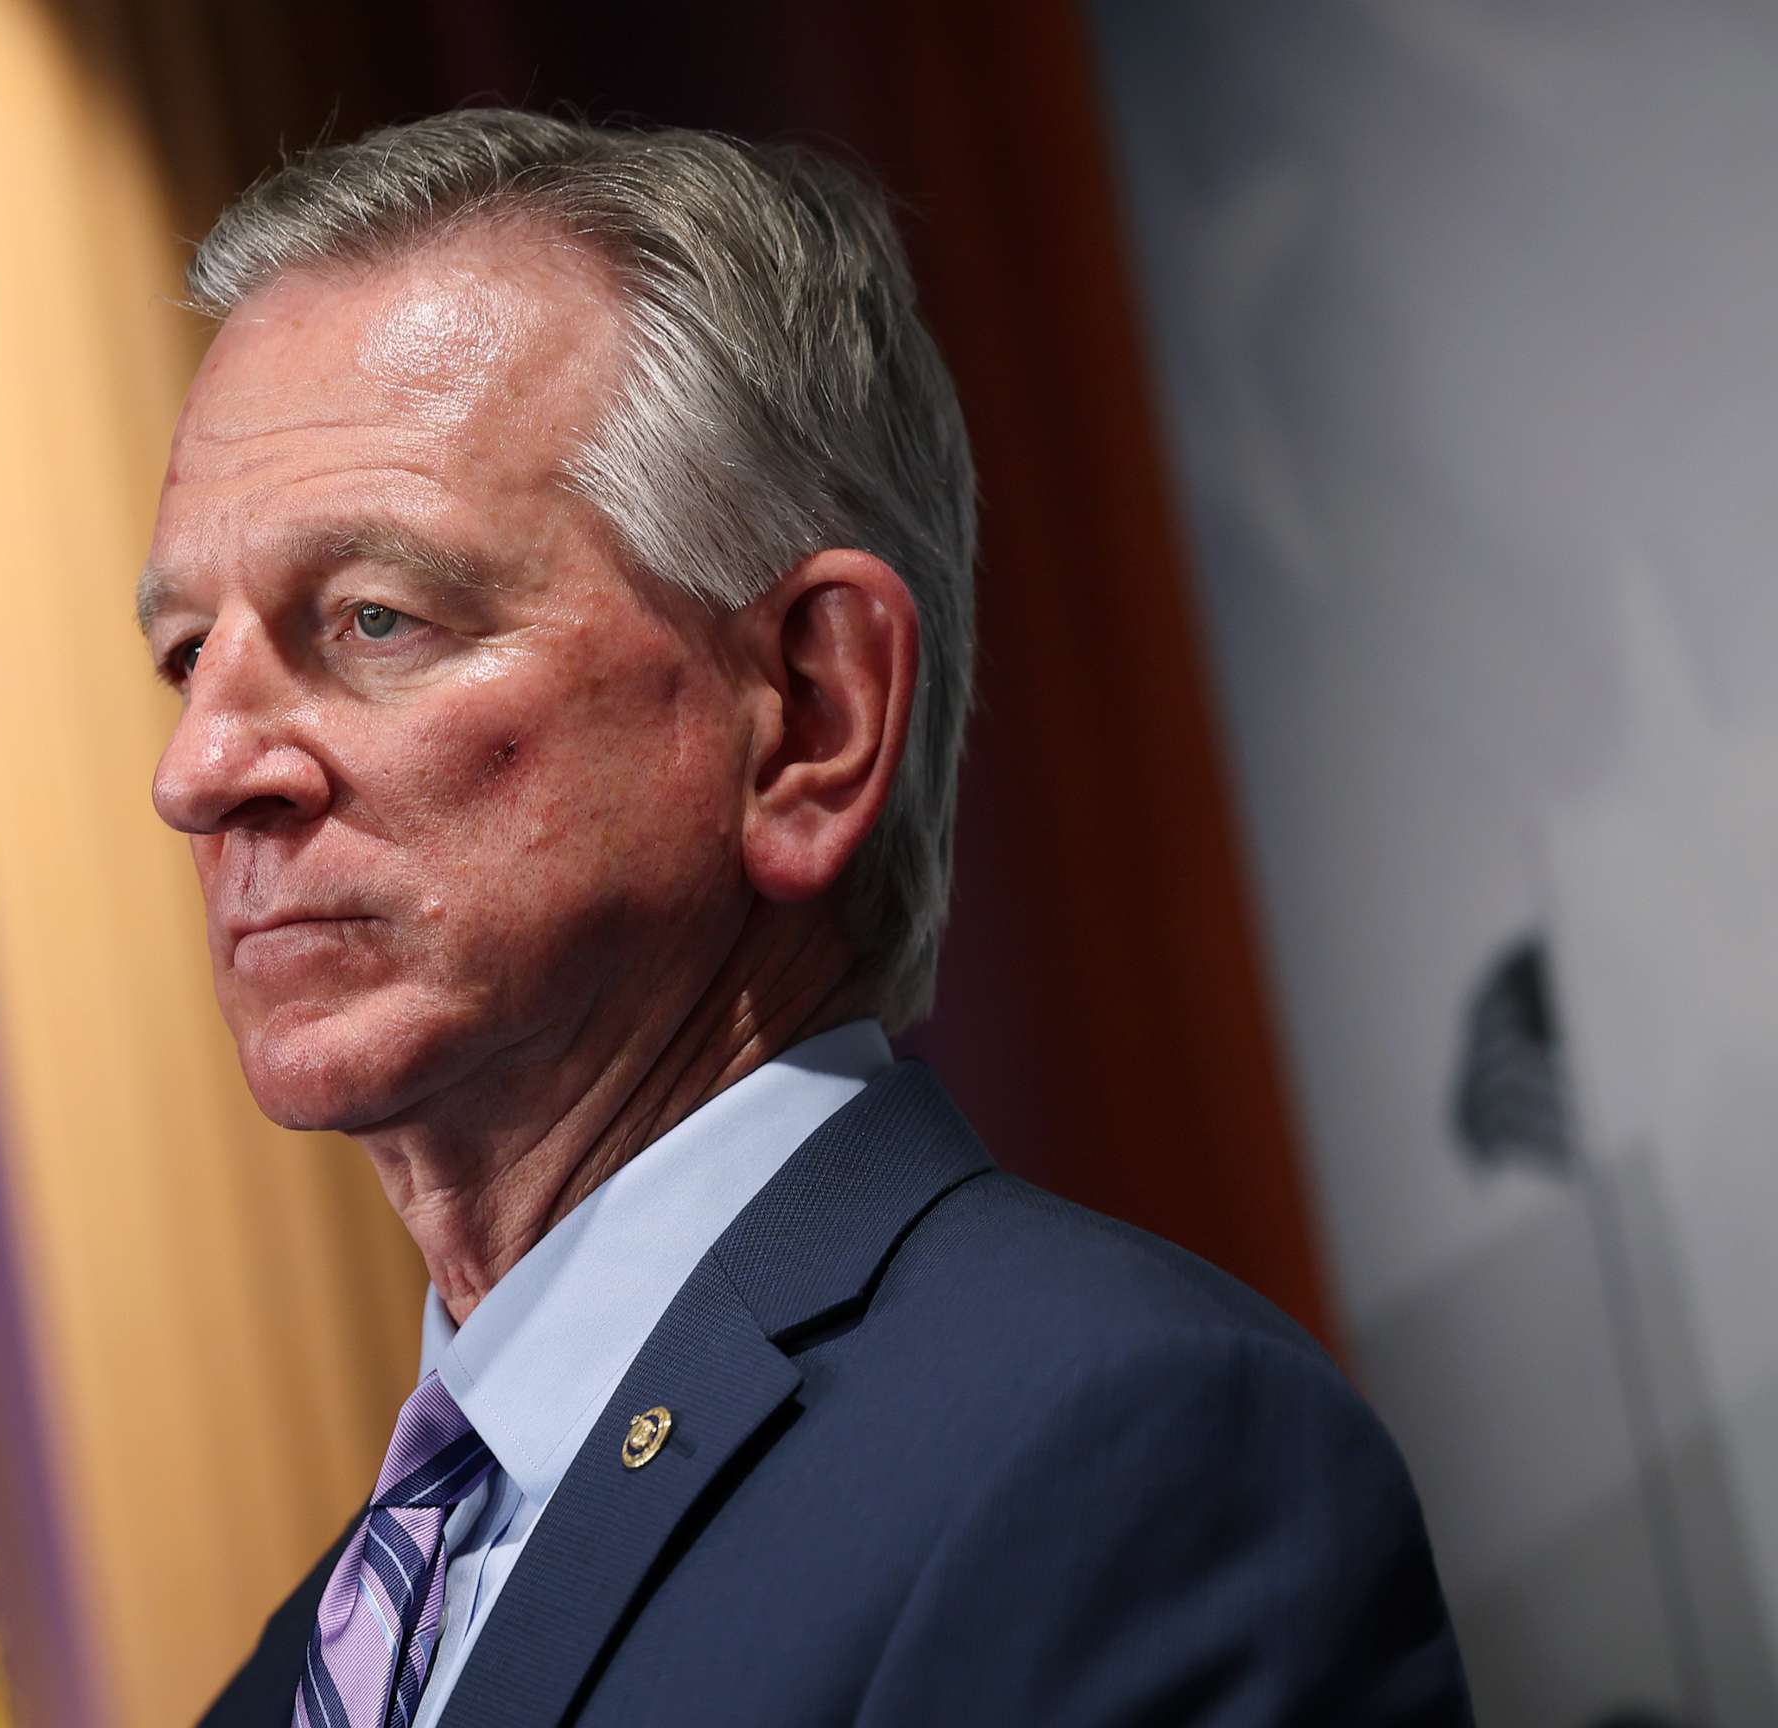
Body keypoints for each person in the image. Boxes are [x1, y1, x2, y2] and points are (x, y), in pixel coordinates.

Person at [140, 109, 1471, 1726]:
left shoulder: (1113, 1459)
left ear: (810, 712)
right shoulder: (286, 1680)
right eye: (185, 655)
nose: (201, 770)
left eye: (373, 617)